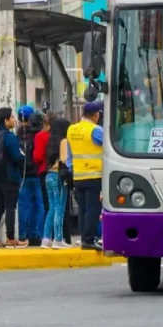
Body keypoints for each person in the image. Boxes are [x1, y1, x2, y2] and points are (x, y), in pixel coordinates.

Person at [0, 107, 28, 248]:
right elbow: (17, 157)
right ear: (6, 121)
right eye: (12, 118)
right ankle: (10, 238)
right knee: (11, 207)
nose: (14, 120)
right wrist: (24, 156)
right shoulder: (9, 136)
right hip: (9, 176)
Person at [67, 101, 104, 250]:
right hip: (94, 175)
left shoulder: (71, 129)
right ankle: (89, 240)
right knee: (93, 209)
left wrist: (73, 169)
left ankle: (84, 238)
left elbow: (69, 155)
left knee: (82, 209)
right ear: (96, 115)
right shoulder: (96, 130)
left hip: (78, 176)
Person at [18, 110, 47, 246]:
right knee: (40, 206)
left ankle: (23, 235)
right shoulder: (40, 136)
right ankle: (37, 234)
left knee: (24, 206)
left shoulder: (17, 136)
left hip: (23, 175)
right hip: (37, 174)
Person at [42, 117, 71, 248]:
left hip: (49, 175)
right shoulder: (64, 141)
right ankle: (58, 239)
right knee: (60, 208)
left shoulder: (51, 141)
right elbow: (64, 159)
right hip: (59, 177)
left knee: (52, 208)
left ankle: (46, 238)